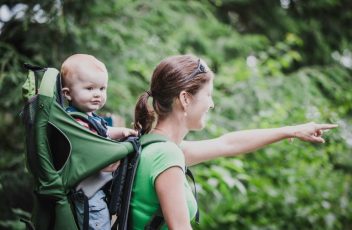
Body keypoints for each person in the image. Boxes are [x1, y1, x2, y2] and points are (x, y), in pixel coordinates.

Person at [132, 54, 337, 229]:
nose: (211, 104)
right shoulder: (167, 155)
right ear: (185, 99)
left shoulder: (154, 146)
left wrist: (292, 130)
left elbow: (228, 144)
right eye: (209, 95)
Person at [60, 54, 137, 230]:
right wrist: (119, 154)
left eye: (102, 89)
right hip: (88, 194)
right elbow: (93, 154)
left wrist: (124, 131)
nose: (98, 94)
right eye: (89, 88)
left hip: (94, 189)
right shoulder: (75, 123)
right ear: (68, 93)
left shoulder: (87, 118)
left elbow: (104, 131)